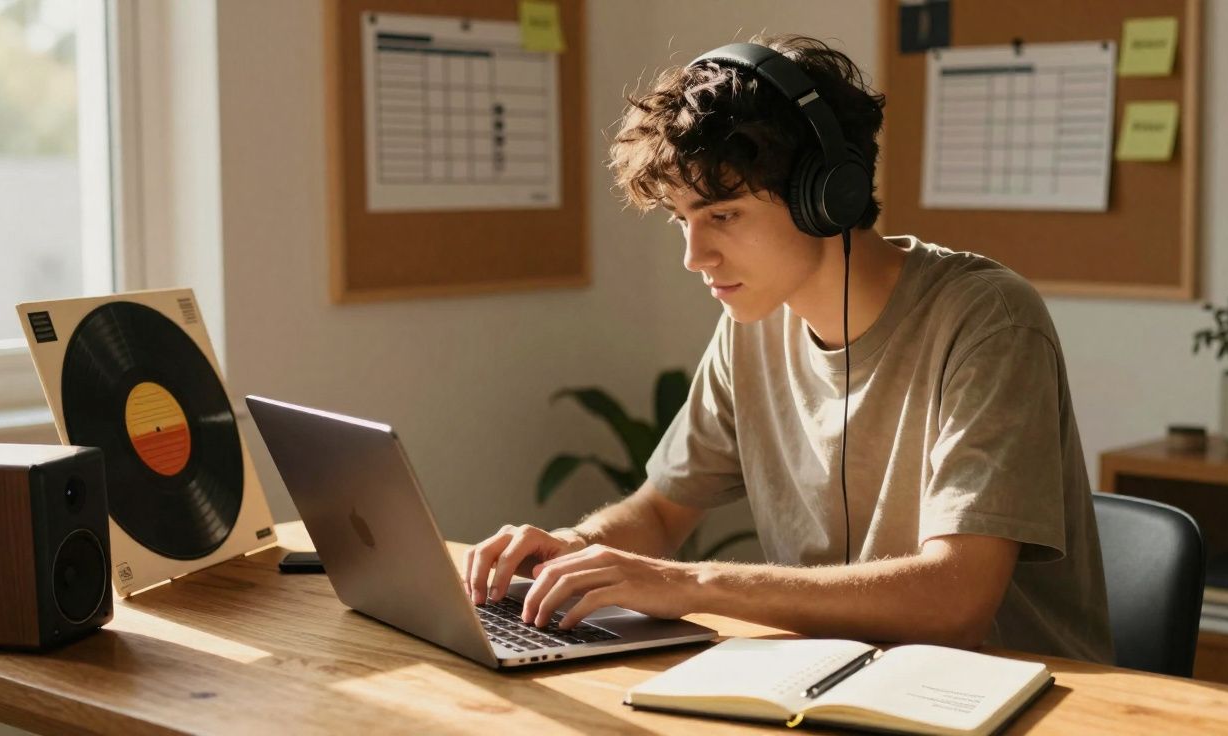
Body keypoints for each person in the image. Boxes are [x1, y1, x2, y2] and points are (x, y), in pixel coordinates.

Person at [463, 34, 1114, 663]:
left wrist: (693, 584)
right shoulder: (752, 321)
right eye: (680, 219)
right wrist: (573, 548)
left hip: (1010, 698)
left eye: (722, 215)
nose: (695, 256)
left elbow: (957, 598)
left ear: (827, 197)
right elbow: (661, 512)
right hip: (830, 680)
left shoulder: (988, 321)